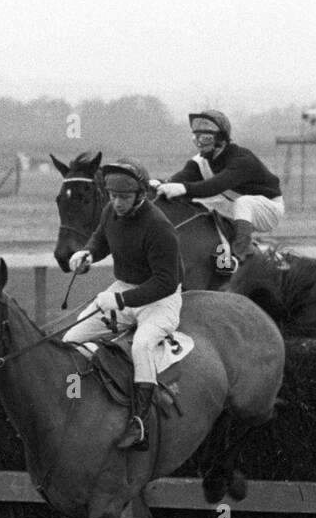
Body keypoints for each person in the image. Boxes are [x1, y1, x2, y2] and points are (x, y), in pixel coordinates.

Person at [66, 158, 183, 451]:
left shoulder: (160, 228)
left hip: (160, 301)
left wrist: (120, 299)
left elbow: (166, 282)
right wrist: (88, 254)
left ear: (140, 195)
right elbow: (101, 240)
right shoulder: (110, 212)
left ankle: (140, 424)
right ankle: (84, 398)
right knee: (71, 339)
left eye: (124, 197)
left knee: (142, 345)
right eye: (113, 196)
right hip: (124, 291)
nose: (117, 203)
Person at [154, 110, 284, 271]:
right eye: (196, 137)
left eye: (206, 137)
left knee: (243, 203)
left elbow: (216, 185)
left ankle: (241, 255)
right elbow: (179, 178)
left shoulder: (242, 159)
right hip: (233, 203)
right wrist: (158, 183)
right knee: (201, 203)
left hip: (268, 209)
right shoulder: (200, 161)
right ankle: (223, 249)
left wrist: (183, 188)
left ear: (221, 139)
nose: (200, 142)